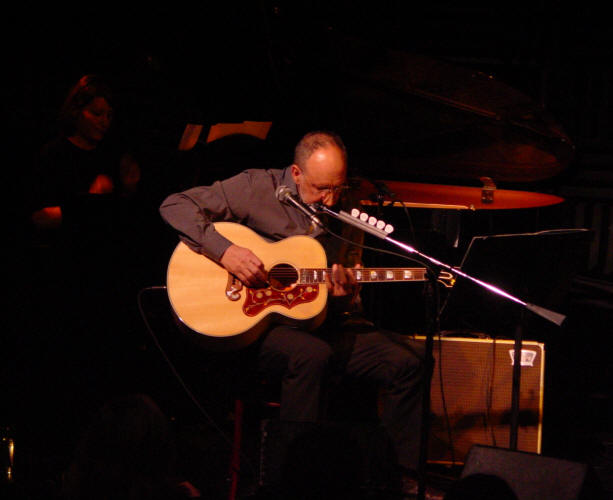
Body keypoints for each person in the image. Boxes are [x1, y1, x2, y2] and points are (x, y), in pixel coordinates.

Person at [159, 131, 428, 491]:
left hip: (314, 321)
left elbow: (333, 297)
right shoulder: (257, 187)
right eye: (320, 188)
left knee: (411, 359)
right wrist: (226, 251)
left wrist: (344, 295)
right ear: (296, 174)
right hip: (252, 328)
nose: (330, 199)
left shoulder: (345, 208)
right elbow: (173, 206)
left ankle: (397, 481)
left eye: (337, 187)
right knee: (312, 355)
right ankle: (293, 483)